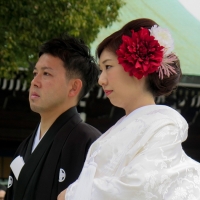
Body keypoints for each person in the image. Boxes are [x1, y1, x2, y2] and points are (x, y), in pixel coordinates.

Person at [58, 18, 200, 200]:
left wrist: (70, 194)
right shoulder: (122, 127)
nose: (101, 80)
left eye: (108, 67)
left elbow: (139, 187)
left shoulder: (165, 125)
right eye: (101, 70)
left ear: (136, 67)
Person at [5, 34, 101, 200]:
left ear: (74, 87)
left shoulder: (90, 143)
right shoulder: (25, 147)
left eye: (46, 74)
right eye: (35, 73)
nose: (35, 81)